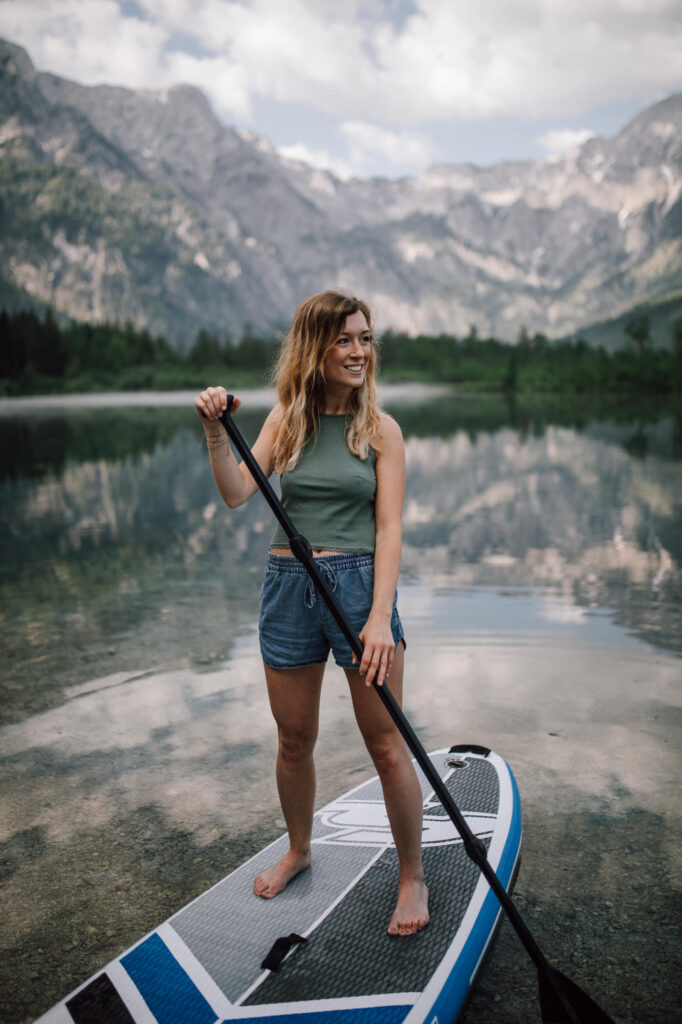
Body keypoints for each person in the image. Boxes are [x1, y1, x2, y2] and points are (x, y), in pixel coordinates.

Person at [194, 290, 429, 936]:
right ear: (315, 349)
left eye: (366, 338)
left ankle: (412, 878)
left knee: (386, 744)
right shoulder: (284, 422)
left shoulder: (382, 431)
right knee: (294, 742)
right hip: (287, 583)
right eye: (345, 340)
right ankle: (299, 849)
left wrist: (380, 617)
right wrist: (216, 430)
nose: (359, 352)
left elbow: (388, 531)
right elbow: (239, 493)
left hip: (359, 592)